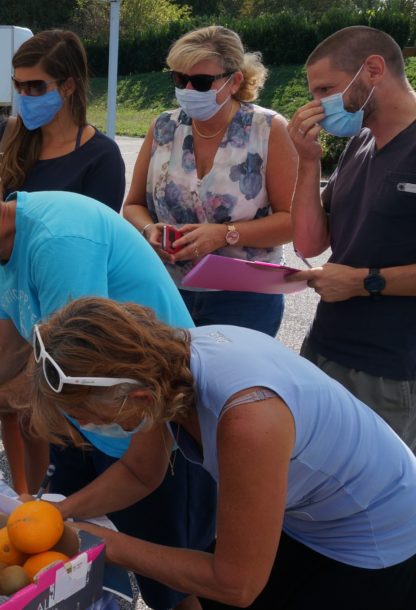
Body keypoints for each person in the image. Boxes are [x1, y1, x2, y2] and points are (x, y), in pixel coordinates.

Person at [0, 175, 217, 610]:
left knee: (171, 584)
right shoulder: (0, 249)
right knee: (63, 554)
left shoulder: (58, 243)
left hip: (154, 421)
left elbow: (66, 374)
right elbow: (9, 348)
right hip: (90, 421)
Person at [30, 297, 416, 609]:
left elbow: (237, 584)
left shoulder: (248, 419)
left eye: (85, 416)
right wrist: (59, 512)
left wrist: (102, 544)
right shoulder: (161, 364)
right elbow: (139, 473)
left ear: (138, 397)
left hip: (376, 534)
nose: (85, 425)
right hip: (312, 513)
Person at [0, 29, 126, 494]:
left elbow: (93, 243)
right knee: (8, 408)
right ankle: (22, 495)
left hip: (63, 302)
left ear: (69, 85)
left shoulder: (100, 156)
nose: (24, 97)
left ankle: (50, 499)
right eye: (18, 86)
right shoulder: (8, 135)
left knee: (47, 408)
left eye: (36, 87)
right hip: (11, 295)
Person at [286, 26, 416, 450]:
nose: (319, 104)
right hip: (326, 347)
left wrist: (364, 281)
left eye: (326, 88)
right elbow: (308, 244)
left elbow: (355, 275)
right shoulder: (360, 141)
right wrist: (308, 162)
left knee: (379, 501)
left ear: (373, 69)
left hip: (393, 369)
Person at [122, 26, 297, 337]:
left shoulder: (268, 129)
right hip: (168, 291)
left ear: (235, 81)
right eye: (178, 79)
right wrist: (150, 229)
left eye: (201, 82)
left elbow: (292, 222)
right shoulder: (164, 126)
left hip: (244, 297)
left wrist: (224, 235)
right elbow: (133, 205)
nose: (188, 89)